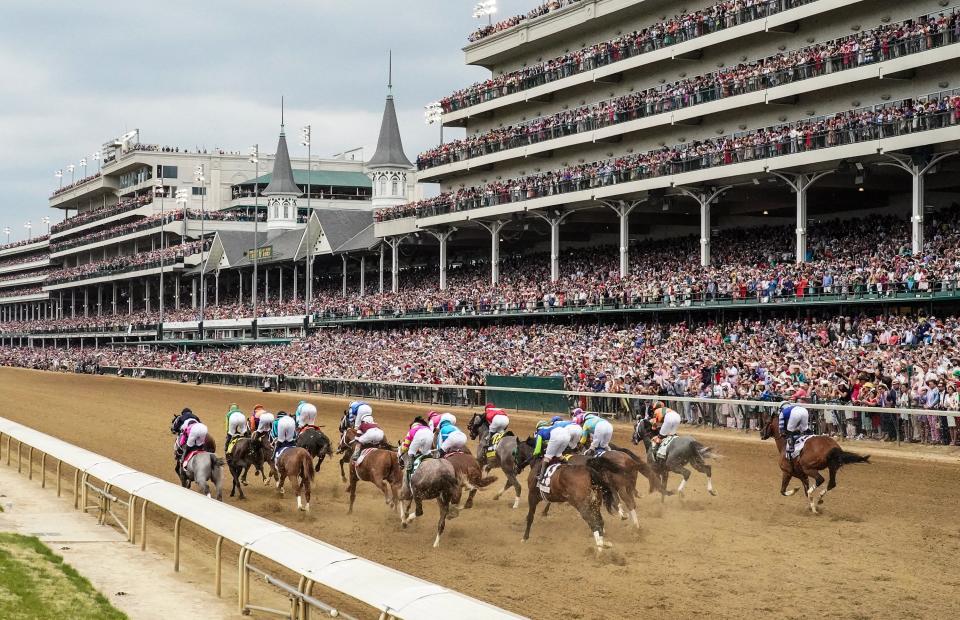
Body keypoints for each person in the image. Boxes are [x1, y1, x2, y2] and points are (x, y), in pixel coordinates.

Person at [533, 417, 572, 485]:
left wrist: (535, 454)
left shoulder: (540, 432)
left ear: (538, 428)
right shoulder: (551, 428)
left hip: (556, 436)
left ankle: (541, 476)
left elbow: (537, 449)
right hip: (567, 435)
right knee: (559, 454)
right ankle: (569, 465)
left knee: (547, 457)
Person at [399, 416, 434, 481]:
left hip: (419, 436)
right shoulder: (427, 427)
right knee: (425, 452)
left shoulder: (411, 431)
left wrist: (404, 450)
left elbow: (405, 448)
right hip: (430, 434)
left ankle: (409, 465)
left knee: (411, 452)